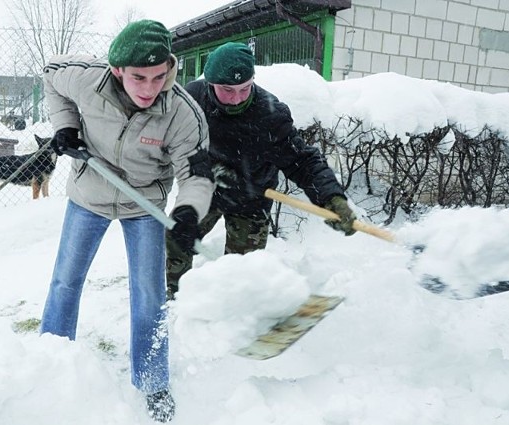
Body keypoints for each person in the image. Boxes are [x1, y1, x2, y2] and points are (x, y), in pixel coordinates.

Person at [39, 20, 214, 423]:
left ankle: (152, 383)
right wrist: (65, 126)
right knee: (66, 281)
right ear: (118, 69)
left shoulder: (184, 114)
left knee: (149, 295)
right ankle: (50, 364)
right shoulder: (88, 80)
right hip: (89, 195)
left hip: (144, 206)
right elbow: (50, 75)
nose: (150, 88)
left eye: (159, 76)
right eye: (139, 77)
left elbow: (196, 174)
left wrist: (188, 212)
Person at [166, 42, 357, 299]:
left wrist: (331, 197)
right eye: (227, 90)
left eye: (245, 88)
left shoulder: (270, 114)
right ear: (210, 83)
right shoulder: (193, 98)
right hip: (207, 191)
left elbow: (302, 161)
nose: (237, 98)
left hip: (251, 198)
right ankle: (176, 296)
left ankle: (237, 311)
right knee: (178, 237)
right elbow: (176, 140)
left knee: (243, 272)